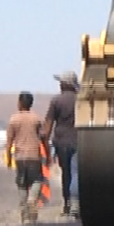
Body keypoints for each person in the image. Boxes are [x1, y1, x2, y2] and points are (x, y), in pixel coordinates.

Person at [5, 91, 48, 225]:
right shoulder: (36, 119)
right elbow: (43, 138)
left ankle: (25, 214)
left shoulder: (13, 120)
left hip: (20, 157)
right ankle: (32, 200)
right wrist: (47, 153)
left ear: (19, 103)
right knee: (37, 181)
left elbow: (9, 142)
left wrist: (8, 159)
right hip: (34, 156)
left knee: (22, 184)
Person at [42, 71, 79, 217]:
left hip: (61, 143)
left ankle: (68, 204)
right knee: (76, 172)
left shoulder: (56, 101)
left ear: (64, 84)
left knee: (67, 174)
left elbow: (48, 125)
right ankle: (76, 203)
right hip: (79, 140)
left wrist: (44, 142)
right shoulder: (80, 100)